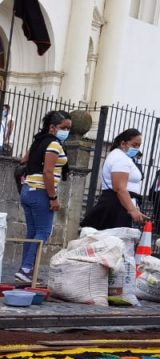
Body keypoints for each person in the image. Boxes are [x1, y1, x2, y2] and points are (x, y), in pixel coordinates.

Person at [15, 110, 72, 283]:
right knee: (43, 232)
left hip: (28, 190)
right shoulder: (53, 145)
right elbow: (48, 172)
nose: (67, 131)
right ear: (52, 127)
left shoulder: (38, 141)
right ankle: (26, 269)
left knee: (33, 232)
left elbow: (23, 160)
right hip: (40, 192)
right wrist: (53, 197)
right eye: (64, 127)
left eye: (69, 128)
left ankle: (26, 271)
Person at [81, 128, 148, 229]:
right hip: (116, 205)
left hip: (120, 204)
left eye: (139, 146)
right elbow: (120, 188)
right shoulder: (120, 159)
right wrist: (132, 210)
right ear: (123, 143)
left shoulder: (121, 157)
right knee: (114, 241)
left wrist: (134, 209)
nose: (137, 149)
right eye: (134, 145)